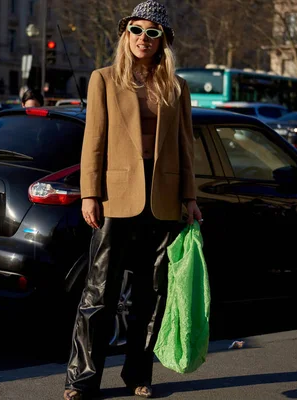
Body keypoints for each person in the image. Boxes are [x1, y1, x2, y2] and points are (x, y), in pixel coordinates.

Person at [63, 1, 202, 399]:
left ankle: (138, 375)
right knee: (98, 293)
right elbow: (94, 141)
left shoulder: (176, 86)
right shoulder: (104, 79)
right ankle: (82, 379)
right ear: (126, 35)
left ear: (163, 42)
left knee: (151, 296)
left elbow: (185, 145)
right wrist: (89, 193)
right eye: (137, 30)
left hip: (163, 201)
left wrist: (189, 197)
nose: (144, 38)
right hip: (115, 199)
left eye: (153, 32)